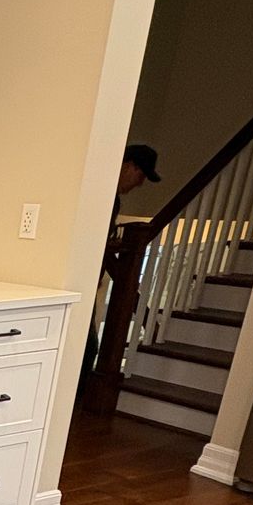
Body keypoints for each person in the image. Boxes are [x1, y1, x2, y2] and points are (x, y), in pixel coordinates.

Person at [80, 143, 162, 394]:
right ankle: (77, 401)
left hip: (87, 279)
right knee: (87, 348)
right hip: (80, 279)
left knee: (86, 346)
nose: (140, 183)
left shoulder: (111, 199)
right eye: (141, 175)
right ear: (129, 165)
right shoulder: (100, 194)